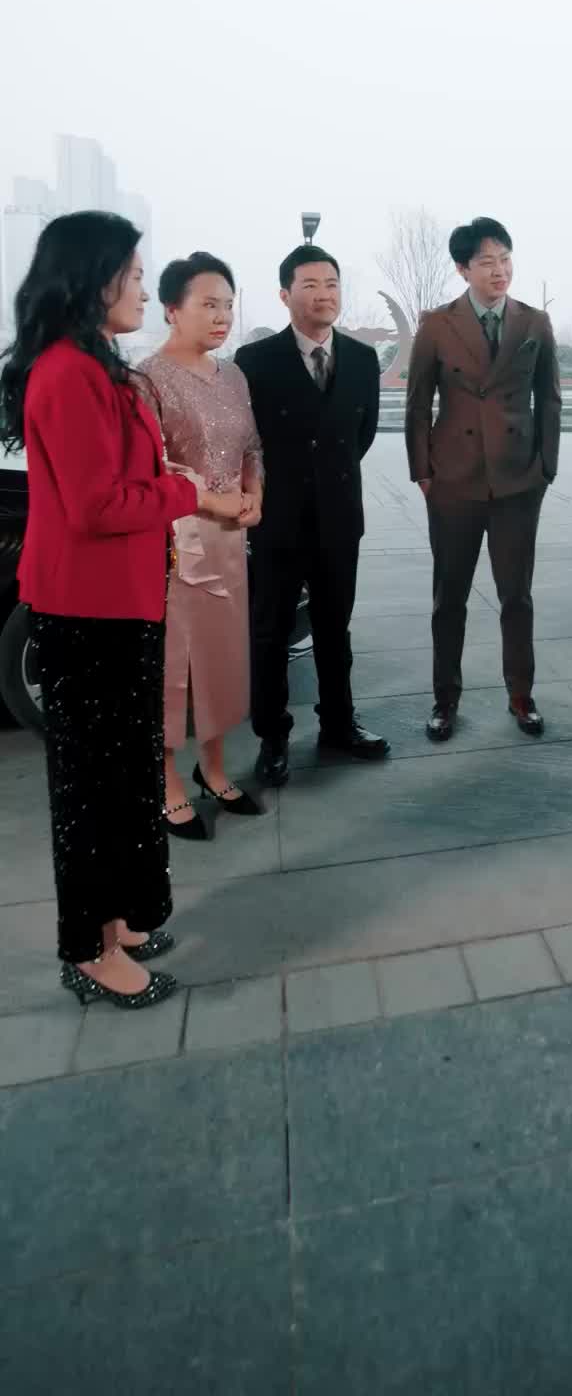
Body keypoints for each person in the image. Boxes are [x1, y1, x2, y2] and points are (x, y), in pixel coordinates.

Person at [0, 212, 243, 1010]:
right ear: (93, 277)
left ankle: (119, 919)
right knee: (92, 789)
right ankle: (90, 949)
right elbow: (96, 504)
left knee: (123, 774)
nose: (143, 287)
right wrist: (185, 492)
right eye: (134, 275)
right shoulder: (65, 373)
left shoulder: (97, 366)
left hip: (122, 601)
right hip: (84, 611)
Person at [235, 243, 388, 786]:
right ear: (285, 295)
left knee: (334, 627)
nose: (325, 294)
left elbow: (361, 435)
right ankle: (273, 736)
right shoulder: (255, 361)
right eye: (311, 285)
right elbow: (247, 442)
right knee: (270, 632)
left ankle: (339, 725)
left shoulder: (363, 359)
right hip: (278, 520)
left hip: (339, 518)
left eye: (332, 284)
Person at [405, 216, 561, 742]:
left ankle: (522, 694)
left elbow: (550, 399)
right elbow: (417, 403)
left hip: (518, 481)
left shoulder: (534, 322)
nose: (500, 270)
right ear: (462, 269)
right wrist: (423, 473)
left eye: (506, 259)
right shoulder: (437, 325)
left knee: (517, 595)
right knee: (449, 596)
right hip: (454, 480)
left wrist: (545, 468)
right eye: (487, 262)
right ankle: (444, 700)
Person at [140, 252, 264, 840]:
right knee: (174, 664)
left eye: (228, 305)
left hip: (230, 539)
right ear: (171, 309)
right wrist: (214, 501)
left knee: (220, 656)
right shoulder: (146, 379)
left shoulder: (233, 375)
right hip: (175, 542)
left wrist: (255, 494)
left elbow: (252, 447)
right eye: (208, 304)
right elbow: (151, 467)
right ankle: (166, 781)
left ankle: (212, 767)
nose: (222, 317)